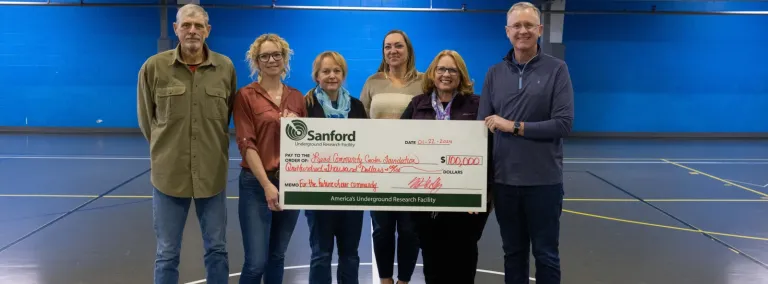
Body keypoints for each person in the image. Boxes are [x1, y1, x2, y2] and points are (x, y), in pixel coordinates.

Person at [136, 4, 235, 284]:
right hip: (169, 177)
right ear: (176, 29)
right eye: (187, 25)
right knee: (167, 253)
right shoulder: (153, 68)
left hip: (212, 175)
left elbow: (227, 115)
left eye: (199, 25)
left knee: (217, 249)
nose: (193, 30)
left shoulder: (225, 67)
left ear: (208, 31)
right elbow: (147, 121)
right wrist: (167, 150)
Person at [477, 2, 574, 284]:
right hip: (505, 182)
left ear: (540, 30)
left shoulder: (557, 70)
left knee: (546, 255)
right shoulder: (494, 73)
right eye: (517, 26)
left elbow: (563, 124)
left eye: (529, 25)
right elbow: (481, 128)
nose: (523, 31)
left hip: (544, 183)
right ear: (507, 31)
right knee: (513, 253)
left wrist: (513, 126)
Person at [399, 50, 493, 284]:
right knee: (432, 261)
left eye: (452, 70)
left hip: (466, 200)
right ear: (432, 73)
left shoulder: (477, 105)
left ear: (461, 75)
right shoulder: (417, 104)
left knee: (463, 259)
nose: (446, 74)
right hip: (426, 199)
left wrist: (484, 193)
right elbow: (399, 143)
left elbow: (491, 151)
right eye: (441, 69)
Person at [233, 33, 306, 284]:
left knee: (277, 256)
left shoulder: (297, 97)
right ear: (256, 61)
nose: (271, 60)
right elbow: (246, 143)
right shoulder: (245, 96)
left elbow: (305, 143)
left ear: (285, 59)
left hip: (290, 184)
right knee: (255, 262)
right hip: (255, 183)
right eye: (265, 56)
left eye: (277, 54)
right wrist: (267, 185)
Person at [359, 29, 424, 284]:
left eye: (398, 46)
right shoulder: (372, 82)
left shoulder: (424, 81)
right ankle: (385, 279)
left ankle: (404, 280)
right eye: (388, 47)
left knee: (410, 230)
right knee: (382, 229)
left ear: (408, 50)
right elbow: (360, 120)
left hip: (414, 169)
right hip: (380, 169)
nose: (393, 51)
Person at [302, 51, 368, 284]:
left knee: (350, 255)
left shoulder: (357, 106)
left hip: (352, 193)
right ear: (316, 76)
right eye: (326, 71)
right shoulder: (305, 105)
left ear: (343, 74)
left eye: (336, 71)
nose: (332, 75)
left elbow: (368, 145)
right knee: (321, 254)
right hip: (318, 193)